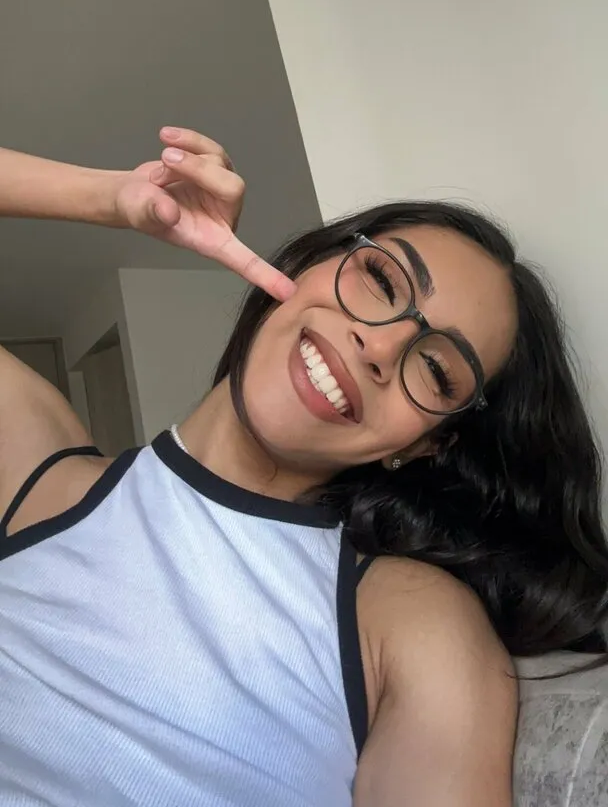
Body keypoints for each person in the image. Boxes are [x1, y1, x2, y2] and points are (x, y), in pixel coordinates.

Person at [0, 126, 606, 807]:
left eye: (437, 370)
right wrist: (111, 198)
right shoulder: (37, 469)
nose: (378, 346)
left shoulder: (407, 621)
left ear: (425, 445)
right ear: (308, 265)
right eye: (382, 280)